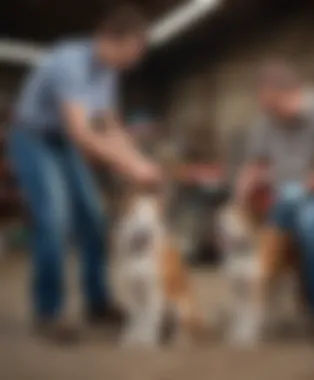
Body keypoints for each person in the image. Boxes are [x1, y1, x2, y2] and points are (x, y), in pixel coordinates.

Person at [7, 5, 161, 343]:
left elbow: (108, 125)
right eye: (131, 51)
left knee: (93, 219)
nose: (134, 61)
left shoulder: (109, 69)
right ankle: (48, 312)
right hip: (34, 139)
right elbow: (82, 132)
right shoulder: (69, 62)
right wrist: (131, 166)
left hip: (64, 141)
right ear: (109, 39)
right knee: (55, 220)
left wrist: (139, 160)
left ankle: (97, 302)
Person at [236, 60, 314, 344]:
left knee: (310, 224)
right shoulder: (267, 119)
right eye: (266, 108)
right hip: (286, 197)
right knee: (258, 240)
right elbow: (255, 163)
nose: (270, 115)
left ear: (293, 92)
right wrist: (243, 190)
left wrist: (307, 185)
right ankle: (257, 308)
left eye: (275, 106)